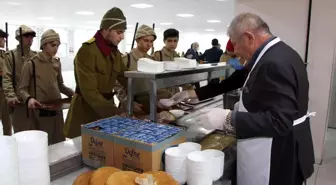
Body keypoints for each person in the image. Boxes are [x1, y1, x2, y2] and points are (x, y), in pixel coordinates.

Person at [168, 13, 314, 185]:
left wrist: (229, 118)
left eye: (235, 43)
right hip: (278, 148)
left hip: (277, 155)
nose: (235, 51)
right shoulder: (274, 54)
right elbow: (234, 81)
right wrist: (192, 94)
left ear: (249, 37)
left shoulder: (274, 63)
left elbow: (280, 121)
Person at [64, 7, 129, 138]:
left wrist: (146, 98)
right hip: (86, 112)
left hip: (106, 109)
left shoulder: (114, 53)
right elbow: (89, 93)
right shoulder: (87, 51)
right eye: (119, 32)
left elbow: (126, 78)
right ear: (106, 29)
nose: (122, 37)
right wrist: (115, 112)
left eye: (123, 32)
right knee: (84, 153)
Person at [18, 29, 74, 145]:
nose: (56, 48)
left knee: (59, 143)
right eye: (53, 45)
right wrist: (29, 99)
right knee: (44, 145)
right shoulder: (31, 64)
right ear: (43, 44)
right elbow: (22, 89)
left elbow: (60, 85)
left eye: (58, 45)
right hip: (40, 113)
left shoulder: (56, 63)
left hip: (57, 111)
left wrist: (73, 93)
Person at [114, 24, 171, 114]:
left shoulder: (152, 60)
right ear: (137, 40)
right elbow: (117, 86)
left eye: (151, 41)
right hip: (132, 107)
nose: (149, 45)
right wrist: (128, 102)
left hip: (149, 106)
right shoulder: (126, 59)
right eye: (146, 41)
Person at [2, 25, 37, 133]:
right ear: (19, 38)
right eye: (27, 36)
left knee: (35, 132)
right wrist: (11, 96)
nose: (30, 39)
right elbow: (6, 77)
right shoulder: (10, 56)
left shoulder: (35, 56)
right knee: (21, 133)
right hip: (18, 103)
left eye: (32, 37)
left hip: (34, 101)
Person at [0, 29, 11, 135]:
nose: (4, 41)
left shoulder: (5, 54)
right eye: (3, 38)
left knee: (7, 121)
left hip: (5, 92)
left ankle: (7, 142)